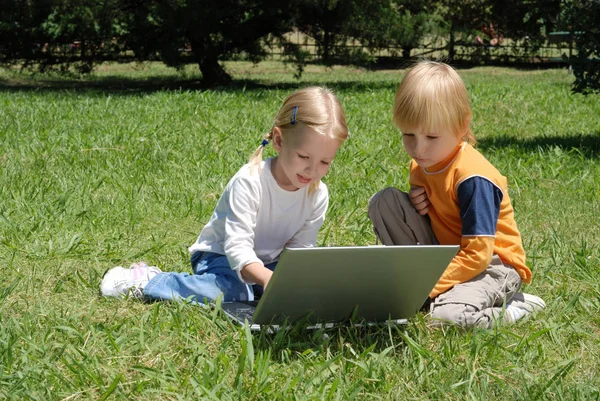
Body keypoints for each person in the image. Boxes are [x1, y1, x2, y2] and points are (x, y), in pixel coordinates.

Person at [100, 86, 349, 304]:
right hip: (220, 257)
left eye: (325, 161)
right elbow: (237, 248)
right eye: (304, 157)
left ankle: (259, 286)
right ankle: (150, 281)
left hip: (267, 263)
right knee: (233, 292)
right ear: (278, 140)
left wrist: (294, 282)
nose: (312, 170)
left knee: (317, 288)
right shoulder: (250, 181)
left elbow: (299, 251)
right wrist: (269, 280)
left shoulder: (317, 194)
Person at [368, 61, 545, 329]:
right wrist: (419, 204)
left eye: (431, 136)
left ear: (462, 126)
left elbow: (478, 255)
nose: (419, 148)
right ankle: (420, 283)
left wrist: (426, 287)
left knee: (445, 318)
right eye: (408, 135)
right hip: (449, 252)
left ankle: (514, 308)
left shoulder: (473, 179)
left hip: (494, 267)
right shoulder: (422, 164)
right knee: (384, 201)